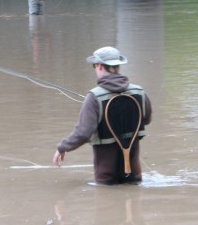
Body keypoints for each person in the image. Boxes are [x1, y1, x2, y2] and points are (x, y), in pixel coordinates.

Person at [53, 47, 152, 185]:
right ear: (117, 66)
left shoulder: (93, 97)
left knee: (107, 204)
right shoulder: (139, 92)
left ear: (99, 66)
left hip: (106, 177)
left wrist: (62, 147)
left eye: (94, 65)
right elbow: (146, 120)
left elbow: (83, 133)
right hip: (135, 174)